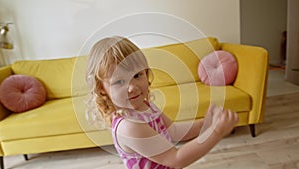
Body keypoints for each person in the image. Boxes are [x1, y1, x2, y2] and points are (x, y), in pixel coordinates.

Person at [86, 36, 239, 169]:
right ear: (102, 89)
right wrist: (216, 132)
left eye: (137, 75)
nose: (132, 87)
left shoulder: (145, 106)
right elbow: (175, 159)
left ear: (146, 73)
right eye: (119, 81)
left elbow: (174, 131)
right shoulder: (129, 126)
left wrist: (207, 123)